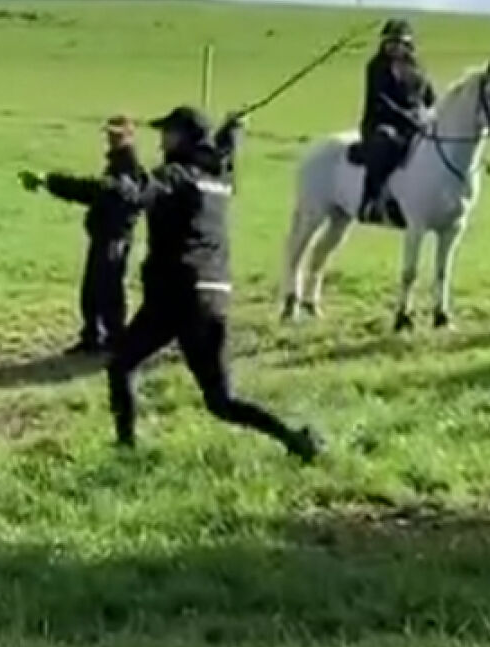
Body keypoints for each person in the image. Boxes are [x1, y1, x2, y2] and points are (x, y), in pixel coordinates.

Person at [105, 104, 321, 462]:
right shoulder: (220, 180)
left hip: (176, 295)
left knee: (121, 365)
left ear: (183, 138)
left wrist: (124, 151)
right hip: (215, 295)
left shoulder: (176, 177)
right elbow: (222, 154)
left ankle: (126, 449)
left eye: (168, 133)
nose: (161, 140)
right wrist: (233, 130)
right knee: (221, 401)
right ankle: (294, 439)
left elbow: (139, 191)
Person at [19, 115, 148, 353]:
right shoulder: (119, 163)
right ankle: (96, 337)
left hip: (114, 237)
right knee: (94, 289)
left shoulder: (128, 168)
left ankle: (112, 338)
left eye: (118, 135)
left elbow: (97, 190)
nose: (112, 138)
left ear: (130, 136)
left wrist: (52, 182)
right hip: (106, 235)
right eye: (110, 134)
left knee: (108, 289)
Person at [358, 18, 437, 223]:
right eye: (390, 41)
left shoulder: (418, 67)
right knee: (387, 144)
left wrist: (432, 114)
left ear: (407, 44)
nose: (393, 46)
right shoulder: (376, 67)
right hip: (382, 121)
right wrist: (410, 119)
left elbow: (429, 96)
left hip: (414, 122)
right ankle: (373, 200)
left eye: (398, 42)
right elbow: (382, 100)